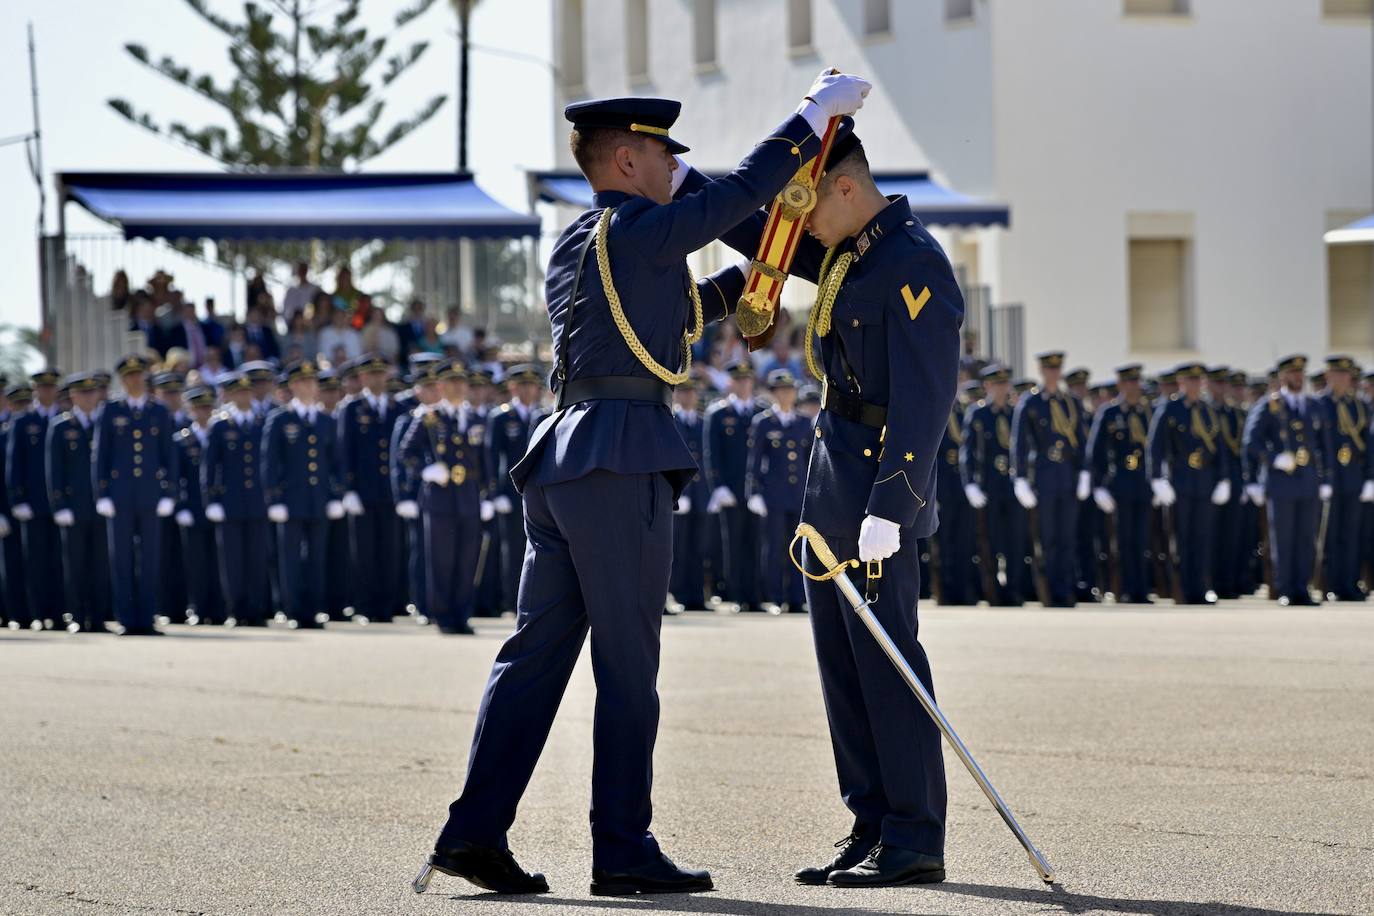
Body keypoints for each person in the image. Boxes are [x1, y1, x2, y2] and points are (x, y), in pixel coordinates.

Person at [415, 77, 870, 896]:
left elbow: (675, 309)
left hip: (563, 463)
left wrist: (755, 282)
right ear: (627, 157)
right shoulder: (642, 230)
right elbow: (735, 196)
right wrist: (810, 121)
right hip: (620, 459)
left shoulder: (582, 241)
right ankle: (621, 847)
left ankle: (475, 831)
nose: (674, 172)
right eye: (663, 156)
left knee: (532, 659)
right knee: (629, 666)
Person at [706, 117, 958, 885]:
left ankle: (914, 835)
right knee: (841, 660)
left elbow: (926, 397)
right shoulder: (853, 250)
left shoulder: (913, 263)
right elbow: (767, 240)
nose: (804, 227)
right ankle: (871, 821)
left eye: (810, 209)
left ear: (845, 188)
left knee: (887, 657)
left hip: (878, 482)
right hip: (833, 472)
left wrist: (896, 502)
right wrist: (694, 195)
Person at [399, 362, 491, 635]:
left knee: (466, 560)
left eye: (462, 382)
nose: (458, 387)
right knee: (442, 559)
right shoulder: (429, 418)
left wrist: (486, 494)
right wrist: (426, 470)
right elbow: (406, 453)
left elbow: (483, 461)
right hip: (440, 499)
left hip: (468, 498)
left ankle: (462, 614)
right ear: (440, 386)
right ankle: (443, 615)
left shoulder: (474, 419)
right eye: (452, 382)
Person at [94, 355, 177, 636]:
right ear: (122, 380)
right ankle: (127, 618)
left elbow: (170, 455)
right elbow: (101, 455)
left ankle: (147, 617)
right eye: (128, 376)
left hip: (151, 495)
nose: (134, 381)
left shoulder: (159, 411)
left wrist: (169, 492)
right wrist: (102, 493)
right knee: (122, 559)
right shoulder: (110, 410)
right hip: (120, 496)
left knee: (150, 558)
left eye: (138, 375)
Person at [261, 360, 344, 629]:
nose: (309, 387)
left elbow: (336, 463)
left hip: (318, 499)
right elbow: (269, 462)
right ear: (293, 386)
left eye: (312, 382)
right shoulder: (281, 419)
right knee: (291, 558)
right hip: (291, 500)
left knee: (316, 557)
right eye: (303, 382)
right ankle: (293, 609)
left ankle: (313, 609)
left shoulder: (325, 421)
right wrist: (274, 499)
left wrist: (335, 496)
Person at [1242, 354, 1330, 606]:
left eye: (1300, 373)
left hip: (1308, 481)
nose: (1298, 378)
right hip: (1281, 483)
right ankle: (1285, 588)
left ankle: (1302, 587)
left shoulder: (1313, 406)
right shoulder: (1270, 406)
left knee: (1305, 537)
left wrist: (1326, 479)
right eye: (1292, 373)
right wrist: (1274, 458)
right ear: (1282, 377)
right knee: (1283, 538)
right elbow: (1251, 441)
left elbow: (1325, 444)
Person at [1146, 363, 1230, 604]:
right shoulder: (1170, 409)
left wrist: (1223, 478)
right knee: (1180, 540)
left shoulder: (1207, 410)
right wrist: (1157, 480)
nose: (1195, 386)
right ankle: (1180, 589)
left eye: (1198, 381)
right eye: (1190, 381)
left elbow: (1219, 446)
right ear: (1181, 383)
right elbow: (1155, 447)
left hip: (1203, 482)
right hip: (1179, 482)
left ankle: (1200, 588)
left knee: (1202, 538)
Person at [1010, 352, 1085, 607]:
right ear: (1042, 372)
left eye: (1057, 369)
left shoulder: (1071, 403)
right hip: (1043, 478)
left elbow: (1081, 441)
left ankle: (1065, 590)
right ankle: (1048, 591)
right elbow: (1019, 444)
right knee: (1047, 538)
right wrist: (1020, 478)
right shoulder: (1030, 403)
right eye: (1049, 369)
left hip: (1067, 475)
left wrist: (1084, 472)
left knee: (1067, 537)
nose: (1053, 374)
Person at [337, 354, 405, 623]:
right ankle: (365, 606)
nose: (376, 379)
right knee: (364, 552)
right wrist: (347, 489)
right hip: (362, 491)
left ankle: (386, 606)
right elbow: (344, 452)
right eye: (370, 374)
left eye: (380, 373)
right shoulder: (351, 409)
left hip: (388, 492)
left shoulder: (397, 408)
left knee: (390, 550)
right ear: (362, 378)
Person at [202, 373, 270, 627]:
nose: (243, 397)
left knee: (256, 557)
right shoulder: (220, 425)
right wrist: (211, 500)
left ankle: (256, 609)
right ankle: (236, 609)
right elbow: (209, 466)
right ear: (230, 395)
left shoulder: (262, 421)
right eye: (238, 393)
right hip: (229, 502)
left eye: (247, 392)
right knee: (232, 561)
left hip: (256, 501)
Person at [1085, 364, 1154, 603]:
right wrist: (1099, 486)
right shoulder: (1110, 413)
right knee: (1123, 540)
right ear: (1122, 385)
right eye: (1129, 382)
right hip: (1120, 484)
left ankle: (1142, 589)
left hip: (1143, 484)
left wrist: (1157, 479)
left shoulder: (1147, 412)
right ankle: (1124, 588)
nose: (1134, 387)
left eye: (1137, 382)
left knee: (1142, 540)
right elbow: (1096, 452)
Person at [46, 373, 109, 633]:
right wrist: (59, 505)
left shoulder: (103, 424)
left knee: (99, 565)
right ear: (72, 396)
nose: (88, 397)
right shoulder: (61, 426)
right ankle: (76, 614)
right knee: (75, 565)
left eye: (92, 392)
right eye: (82, 393)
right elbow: (54, 470)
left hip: (100, 506)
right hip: (73, 506)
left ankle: (97, 616)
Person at [745, 369, 811, 613]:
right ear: (773, 393)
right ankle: (774, 596)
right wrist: (753, 492)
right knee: (773, 547)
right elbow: (755, 460)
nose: (786, 394)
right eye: (781, 390)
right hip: (773, 494)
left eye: (790, 390)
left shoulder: (804, 422)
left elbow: (810, 460)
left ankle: (796, 598)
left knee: (798, 547)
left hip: (798, 494)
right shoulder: (763, 422)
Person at [961, 364, 1025, 606]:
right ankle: (993, 592)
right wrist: (970, 484)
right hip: (988, 486)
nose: (1002, 389)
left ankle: (1014, 590)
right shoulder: (978, 414)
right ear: (987, 386)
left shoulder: (1013, 413)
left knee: (1015, 541)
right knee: (990, 543)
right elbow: (968, 451)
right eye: (997, 385)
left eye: (1004, 384)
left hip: (1010, 486)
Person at [7, 368, 66, 629]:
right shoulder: (23, 421)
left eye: (51, 387)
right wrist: (17, 499)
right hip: (33, 504)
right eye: (42, 388)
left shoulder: (64, 420)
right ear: (35, 391)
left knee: (59, 561)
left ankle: (60, 612)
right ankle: (38, 614)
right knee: (35, 563)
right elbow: (14, 465)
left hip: (61, 505)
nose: (47, 392)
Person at [484, 364, 544, 614]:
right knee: (512, 548)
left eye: (532, 385)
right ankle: (511, 599)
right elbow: (490, 457)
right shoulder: (500, 417)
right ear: (513, 387)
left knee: (538, 548)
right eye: (523, 385)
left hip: (537, 492)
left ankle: (535, 599)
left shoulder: (543, 416)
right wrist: (494, 492)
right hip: (510, 493)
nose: (528, 390)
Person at [1315, 355, 1372, 601]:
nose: (1344, 380)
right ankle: (1331, 584)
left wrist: (1370, 477)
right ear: (1329, 376)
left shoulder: (1358, 406)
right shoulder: (1318, 404)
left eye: (1347, 375)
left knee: (1352, 534)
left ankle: (1349, 583)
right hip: (1329, 478)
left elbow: (1369, 445)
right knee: (1331, 535)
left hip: (1353, 477)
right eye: (1339, 375)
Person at [174, 386, 224, 625]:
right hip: (192, 509)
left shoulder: (221, 434)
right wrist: (181, 505)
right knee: (195, 563)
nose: (204, 412)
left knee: (218, 561)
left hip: (218, 508)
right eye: (199, 407)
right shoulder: (182, 440)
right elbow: (177, 477)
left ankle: (219, 608)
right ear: (190, 410)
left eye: (207, 406)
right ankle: (197, 607)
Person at [669, 382, 708, 610]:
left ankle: (696, 597)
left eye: (692, 391)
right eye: (684, 391)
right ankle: (678, 593)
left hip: (700, 493)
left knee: (698, 547)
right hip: (681, 494)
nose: (689, 395)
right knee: (678, 549)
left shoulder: (702, 422)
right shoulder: (673, 420)